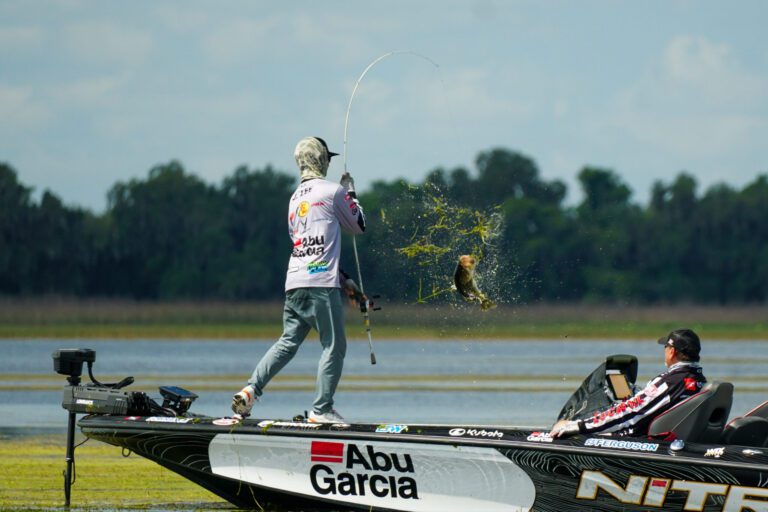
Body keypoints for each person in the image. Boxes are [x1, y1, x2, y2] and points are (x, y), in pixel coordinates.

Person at [231, 136, 366, 424]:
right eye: (326, 158)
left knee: (287, 342)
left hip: (295, 282)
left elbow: (305, 245)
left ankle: (250, 389)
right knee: (334, 346)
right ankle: (322, 409)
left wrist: (345, 281)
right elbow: (359, 225)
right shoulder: (333, 192)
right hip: (320, 285)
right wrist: (350, 191)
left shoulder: (294, 199)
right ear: (320, 159)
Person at [550, 328, 706, 438]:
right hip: (674, 442)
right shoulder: (700, 382)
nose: (664, 350)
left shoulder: (670, 382)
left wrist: (577, 426)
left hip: (642, 442)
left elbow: (629, 412)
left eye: (666, 347)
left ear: (672, 351)